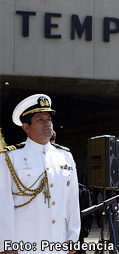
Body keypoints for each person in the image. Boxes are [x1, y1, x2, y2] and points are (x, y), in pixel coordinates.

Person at [0, 94, 80, 254]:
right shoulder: (10, 157)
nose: (47, 124)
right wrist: (6, 245)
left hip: (59, 244)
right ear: (26, 127)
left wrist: (73, 237)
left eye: (49, 119)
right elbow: (3, 203)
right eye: (40, 120)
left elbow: (72, 200)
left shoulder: (65, 156)